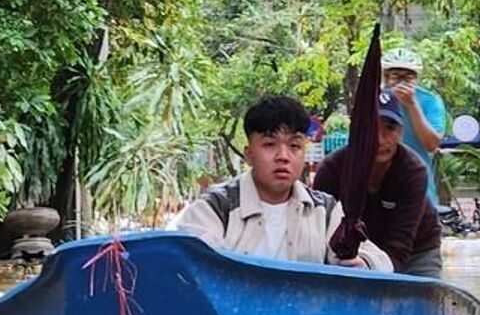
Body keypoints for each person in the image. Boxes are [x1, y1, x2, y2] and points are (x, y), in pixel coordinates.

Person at [172, 95, 391, 271]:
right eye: (270, 144)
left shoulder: (325, 211)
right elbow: (191, 263)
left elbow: (381, 263)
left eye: (294, 146)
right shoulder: (215, 208)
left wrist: (361, 263)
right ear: (248, 154)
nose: (283, 156)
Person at [313, 94, 443, 277]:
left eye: (390, 128)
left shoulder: (413, 172)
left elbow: (400, 245)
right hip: (353, 251)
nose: (381, 140)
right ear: (356, 131)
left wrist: (373, 268)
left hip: (416, 251)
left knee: (423, 293)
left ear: (400, 132)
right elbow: (319, 230)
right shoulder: (332, 170)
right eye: (371, 128)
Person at [380, 47, 449, 207]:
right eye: (396, 76)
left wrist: (412, 105)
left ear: (416, 78)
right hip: (381, 182)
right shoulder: (375, 98)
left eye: (408, 77)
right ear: (386, 77)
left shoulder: (430, 100)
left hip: (418, 183)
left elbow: (431, 144)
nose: (401, 82)